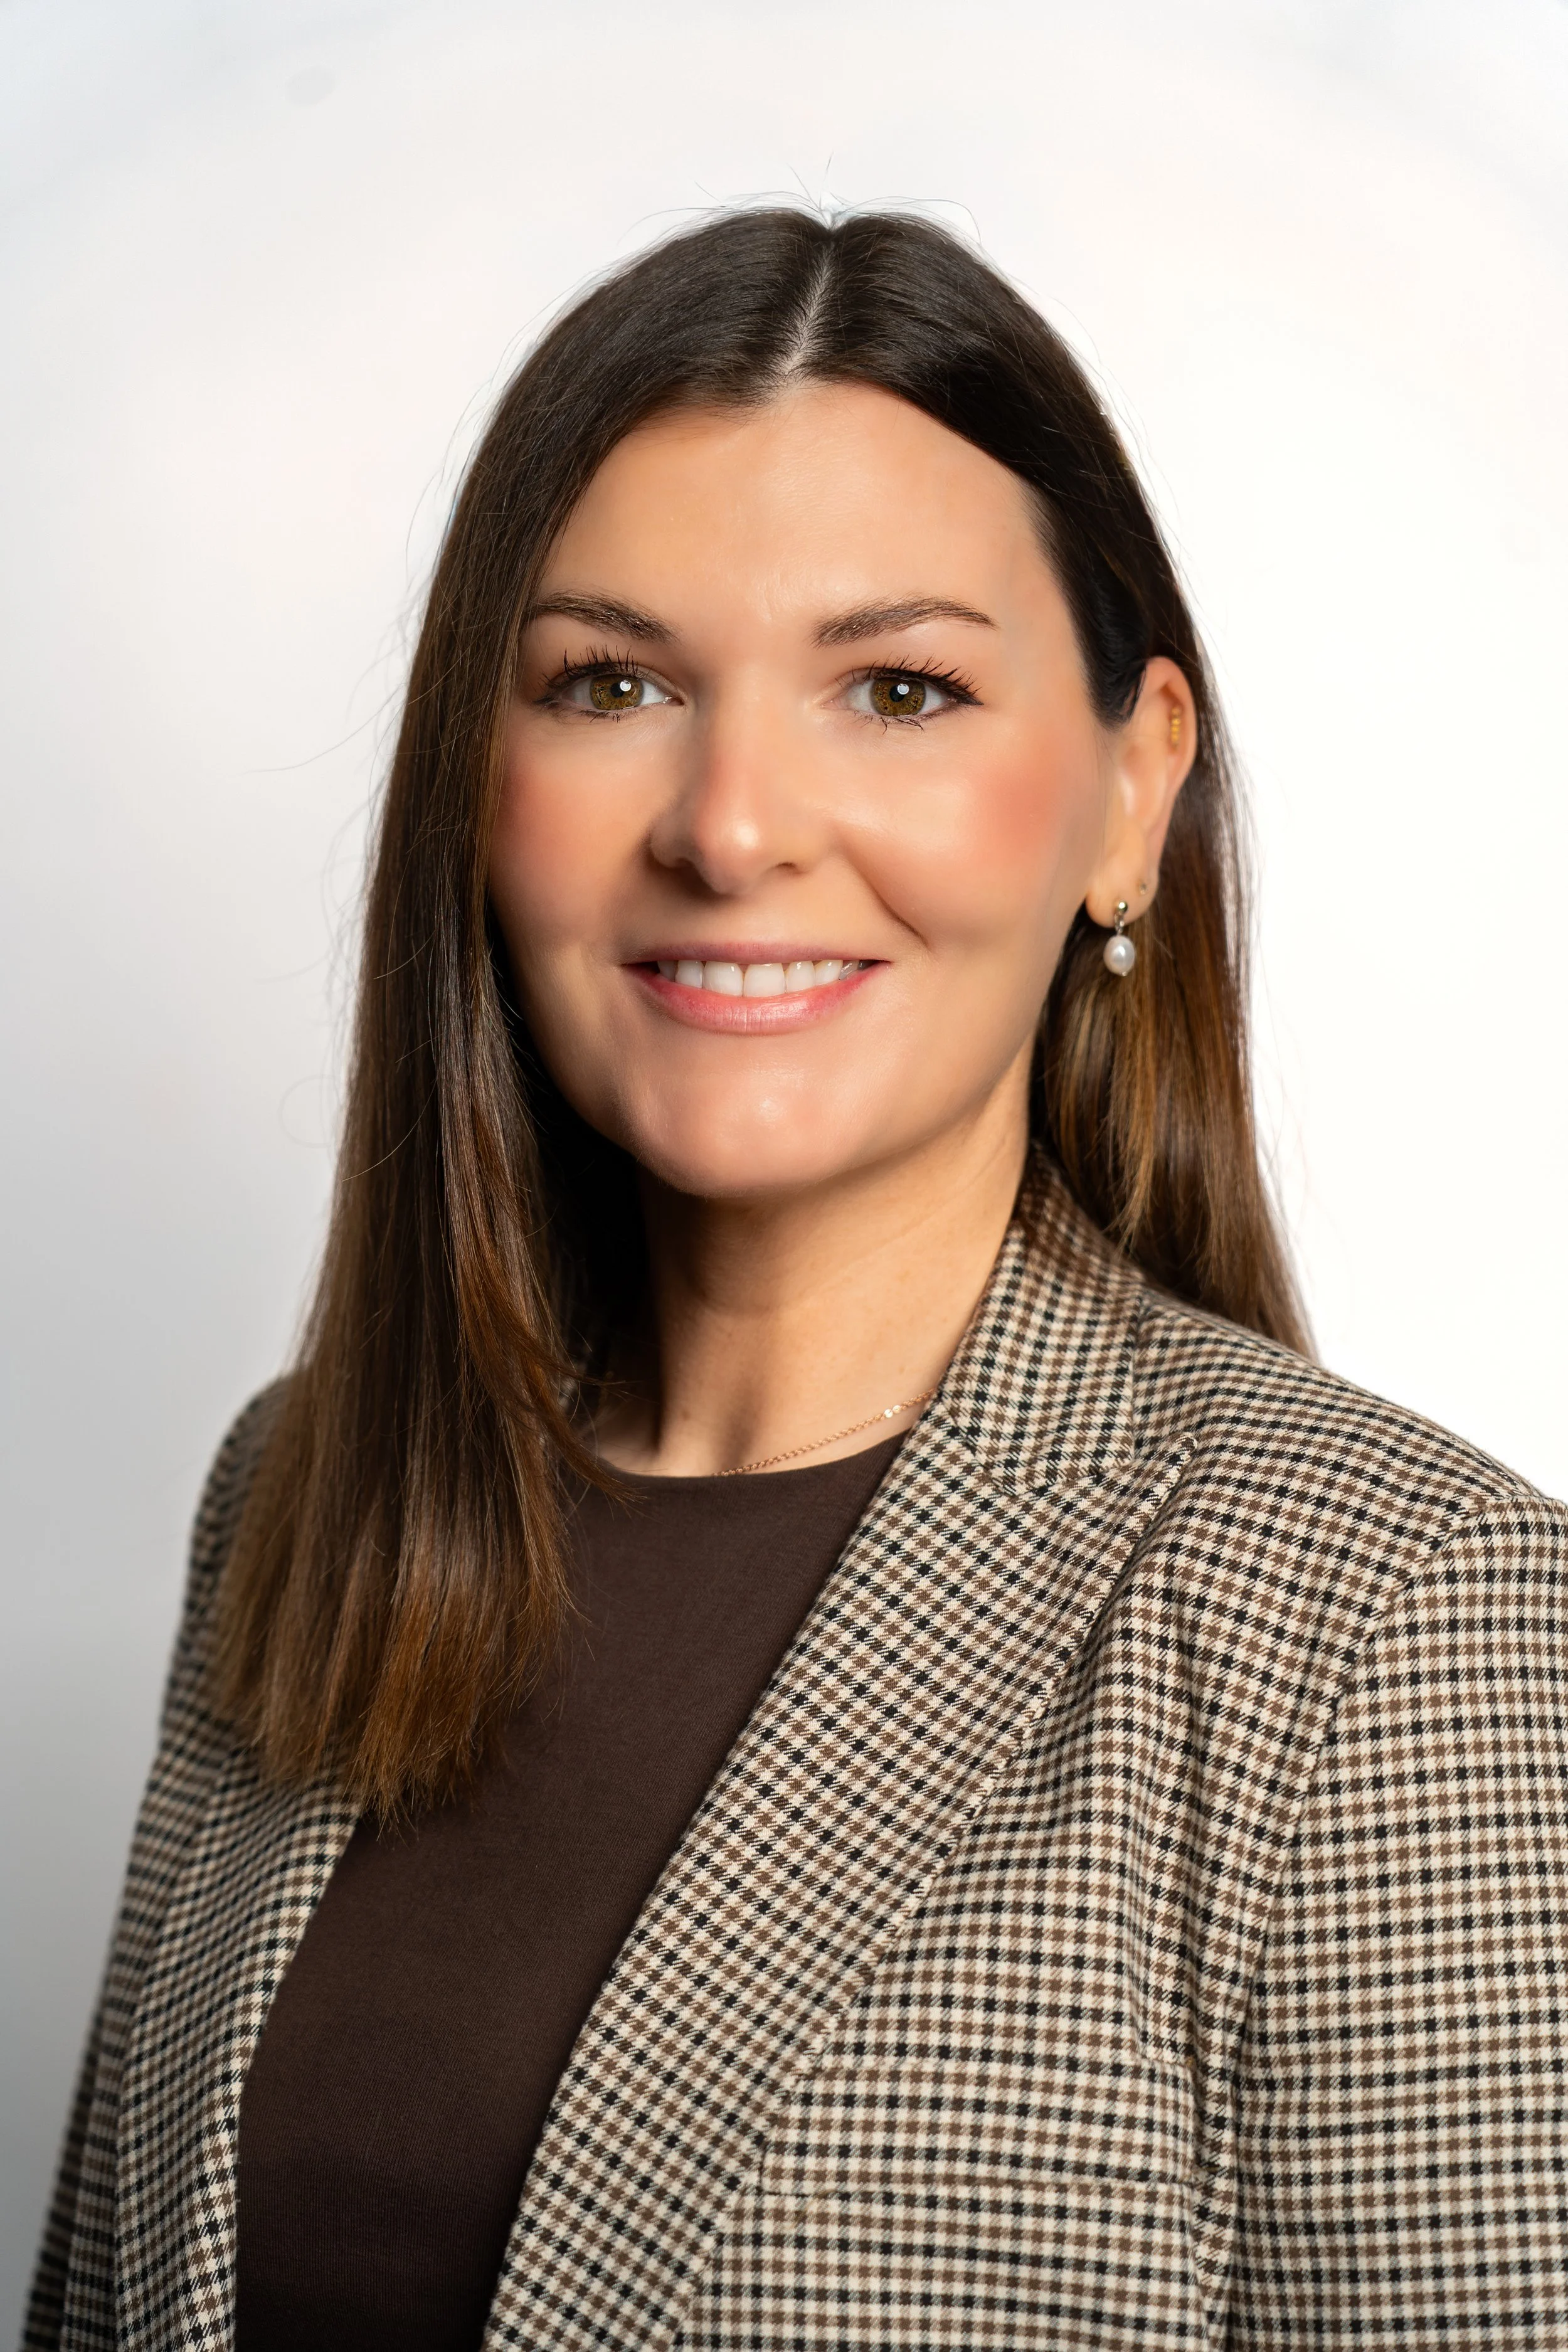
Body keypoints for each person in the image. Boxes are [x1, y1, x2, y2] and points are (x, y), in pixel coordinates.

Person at [26, 208, 1568, 2352]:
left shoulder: (1403, 1623)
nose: (732, 823)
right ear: (478, 790)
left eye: (899, 687)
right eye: (611, 683)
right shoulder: (295, 1501)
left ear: (1131, 793)